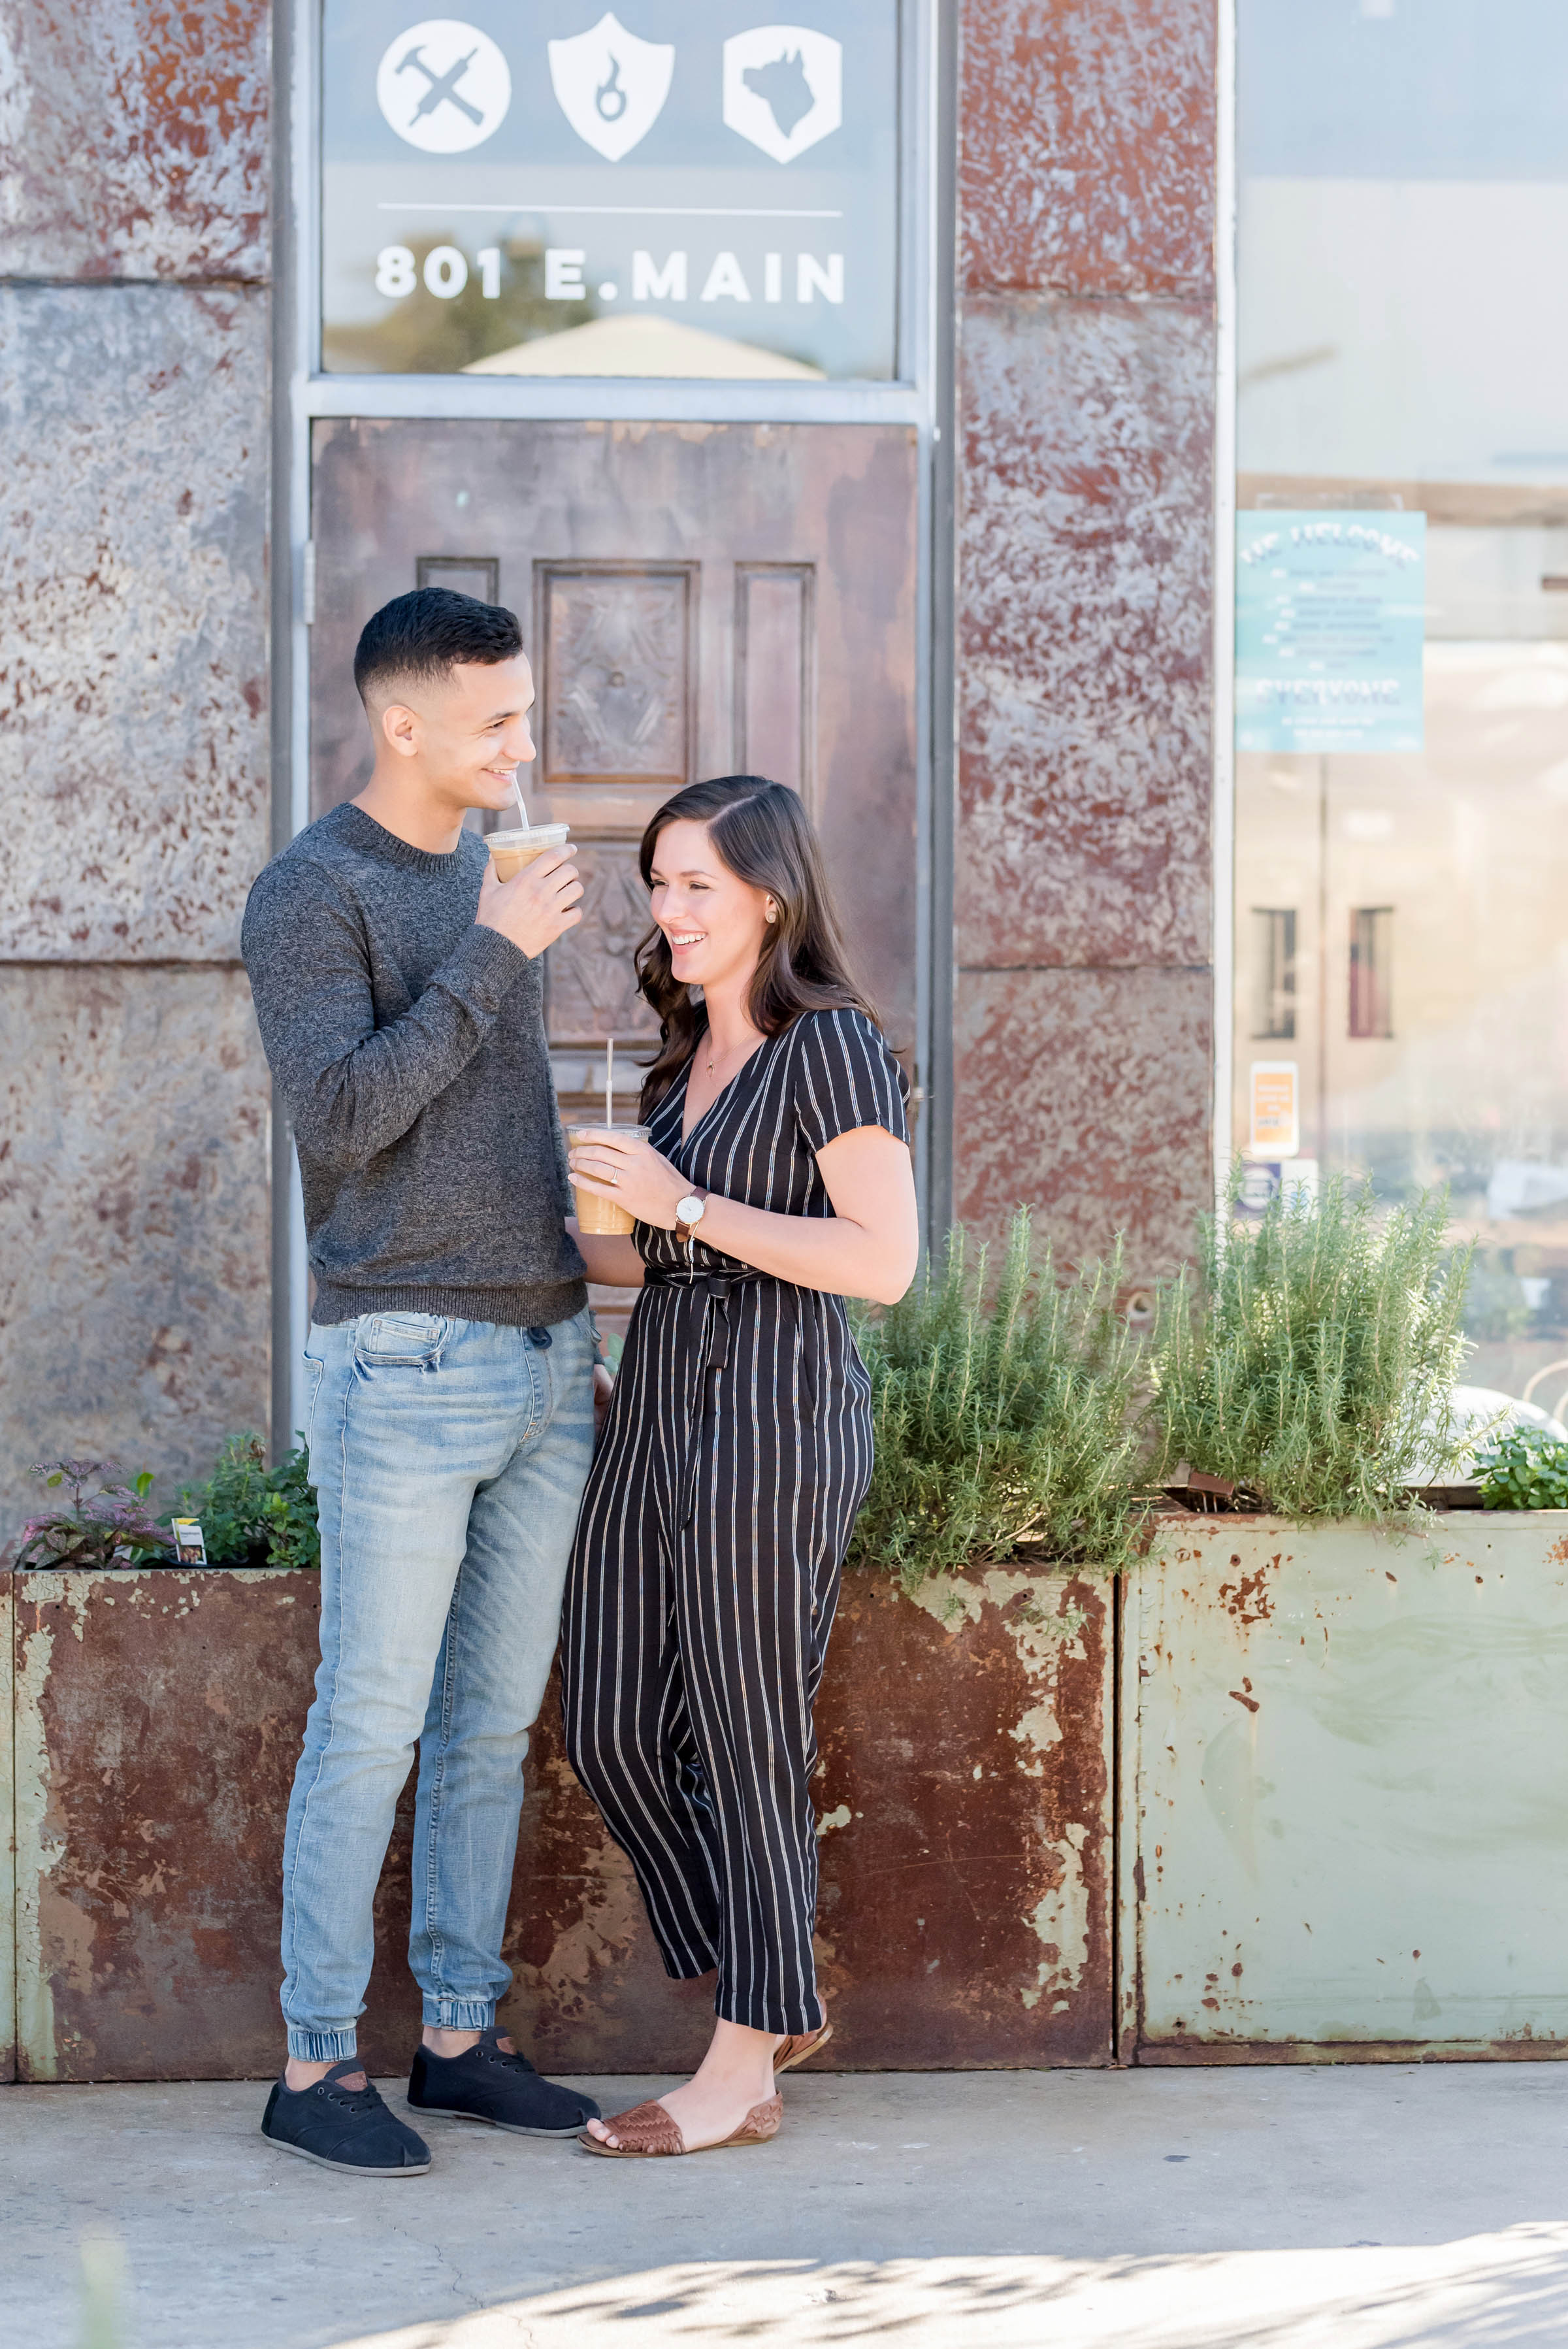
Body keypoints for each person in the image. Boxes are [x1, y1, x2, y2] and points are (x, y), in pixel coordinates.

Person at [242, 587, 604, 2177]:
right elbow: (340, 1119)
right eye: (499, 722)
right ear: (406, 727)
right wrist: (489, 955)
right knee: (373, 1719)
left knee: (488, 1724)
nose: (525, 748)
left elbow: (476, 1107)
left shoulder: (489, 868)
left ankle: (456, 2036)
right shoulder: (311, 891)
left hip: (544, 1346)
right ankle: (316, 2067)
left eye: (525, 715)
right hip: (402, 1354)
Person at [561, 775, 920, 2160]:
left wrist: (685, 1198)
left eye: (697, 883)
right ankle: (775, 1989)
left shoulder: (827, 1047)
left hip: (773, 1413)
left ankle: (740, 2062)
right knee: (606, 1715)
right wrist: (524, 1219)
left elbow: (880, 1263)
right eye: (658, 884)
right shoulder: (678, 1062)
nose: (670, 909)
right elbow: (646, 1251)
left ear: (771, 893)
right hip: (660, 1402)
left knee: (747, 1728)